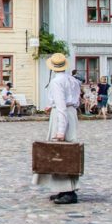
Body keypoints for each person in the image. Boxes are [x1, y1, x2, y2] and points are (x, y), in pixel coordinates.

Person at [33, 52, 82, 205]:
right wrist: (52, 106)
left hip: (62, 115)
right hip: (71, 113)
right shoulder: (73, 80)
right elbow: (75, 101)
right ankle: (65, 188)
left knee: (60, 151)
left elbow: (61, 106)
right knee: (69, 151)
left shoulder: (56, 82)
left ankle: (68, 192)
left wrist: (60, 130)